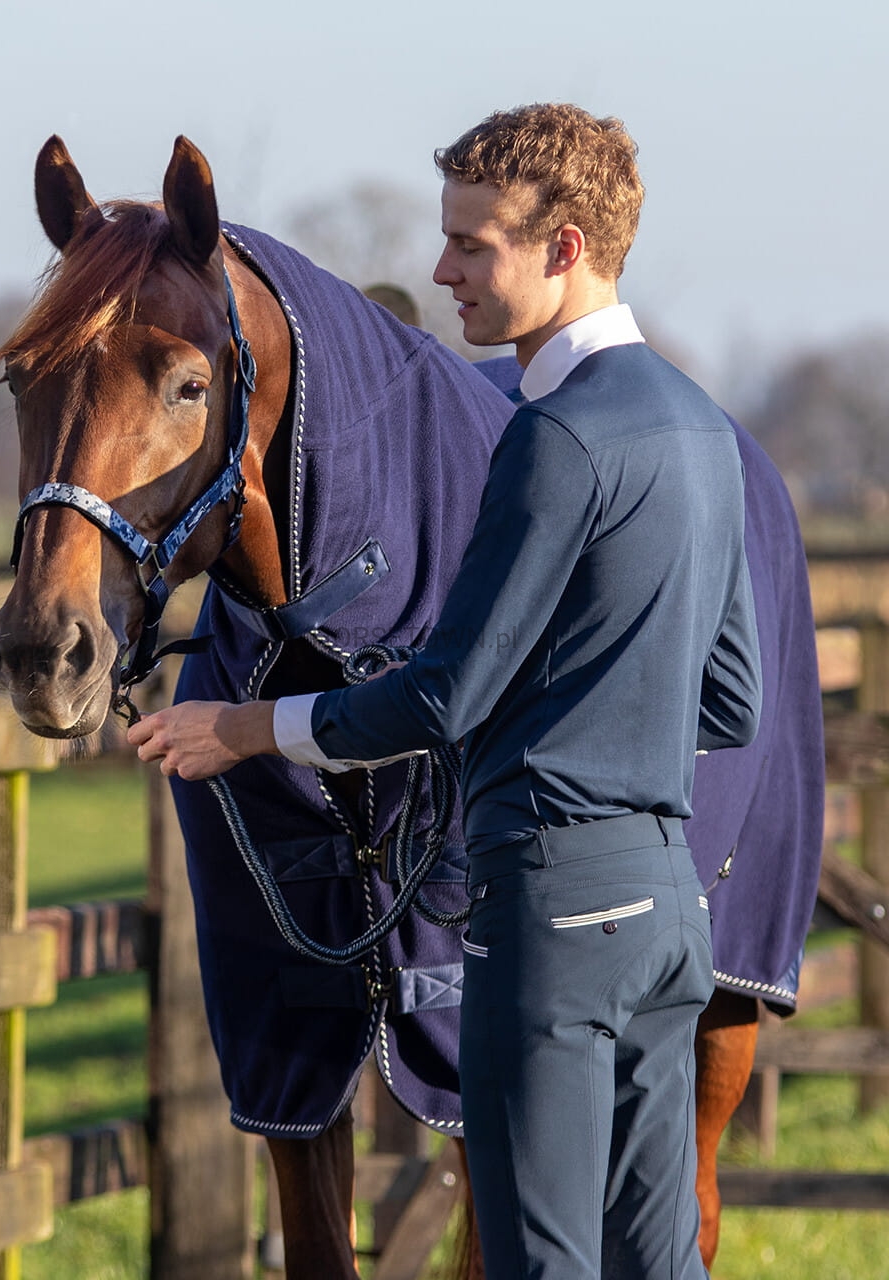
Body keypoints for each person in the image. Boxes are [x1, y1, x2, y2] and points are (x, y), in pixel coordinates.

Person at [129, 103, 762, 1279]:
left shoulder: (552, 436)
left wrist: (245, 724)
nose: (440, 271)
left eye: (472, 244)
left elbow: (444, 698)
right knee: (657, 1262)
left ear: (564, 248)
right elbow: (730, 701)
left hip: (553, 914)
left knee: (537, 1261)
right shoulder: (700, 426)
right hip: (669, 911)